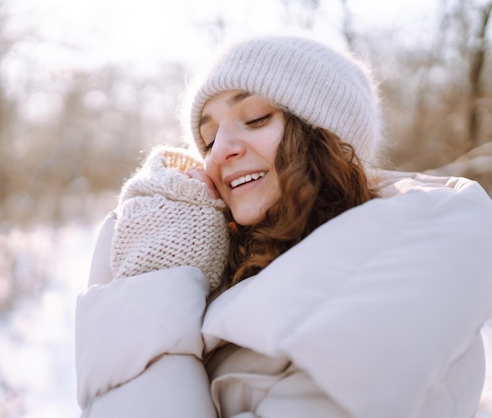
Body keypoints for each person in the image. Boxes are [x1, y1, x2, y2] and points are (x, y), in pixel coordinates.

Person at [75, 34, 492, 418]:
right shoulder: (227, 271)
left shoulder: (406, 284)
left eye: (255, 117)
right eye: (207, 139)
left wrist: (153, 285)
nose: (220, 151)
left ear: (326, 135)